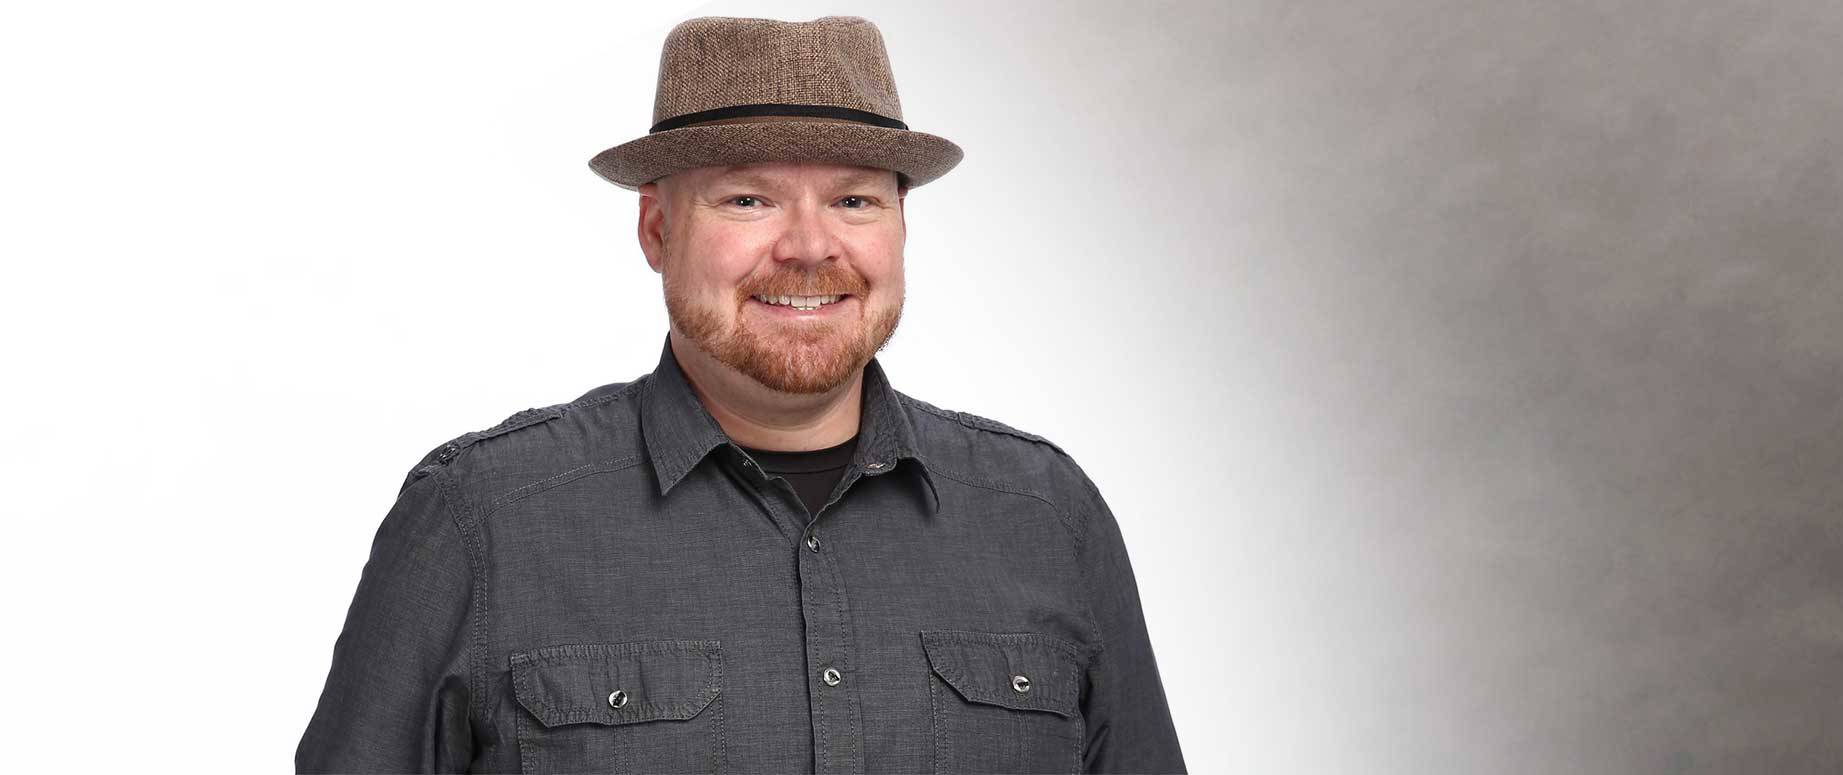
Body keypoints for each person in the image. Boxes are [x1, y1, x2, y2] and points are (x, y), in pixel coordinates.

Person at [295, 15, 1184, 775]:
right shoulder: (478, 521)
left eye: (854, 201)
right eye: (750, 200)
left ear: (901, 226)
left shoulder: (1050, 519)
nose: (810, 247)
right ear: (656, 229)